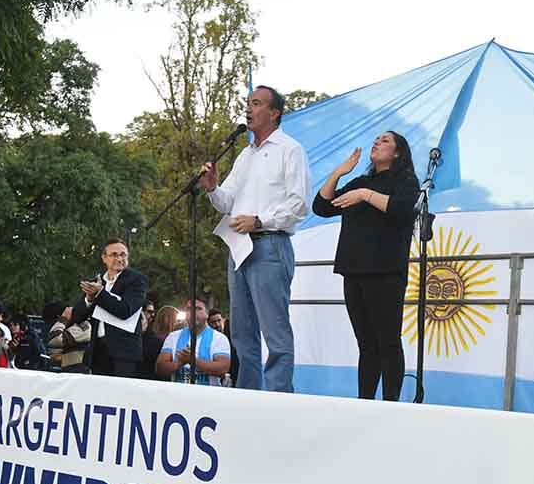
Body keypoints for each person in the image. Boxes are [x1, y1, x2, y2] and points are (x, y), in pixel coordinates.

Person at [201, 85, 312, 392]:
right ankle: (247, 398)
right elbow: (226, 202)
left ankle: (278, 401)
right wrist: (212, 188)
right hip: (239, 248)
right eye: (248, 103)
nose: (248, 109)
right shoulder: (244, 156)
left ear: (274, 113)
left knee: (274, 333)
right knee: (241, 334)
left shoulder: (290, 149)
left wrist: (260, 220)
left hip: (269, 244)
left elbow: (299, 204)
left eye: (256, 104)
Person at [312, 131, 422, 401]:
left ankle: (391, 404)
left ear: (397, 152)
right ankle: (365, 402)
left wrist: (365, 195)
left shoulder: (405, 180)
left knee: (388, 342)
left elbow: (403, 208)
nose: (377, 142)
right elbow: (322, 206)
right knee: (366, 344)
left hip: (385, 272)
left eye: (385, 140)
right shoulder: (361, 181)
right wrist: (338, 172)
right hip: (354, 269)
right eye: (376, 139)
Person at [72, 238, 148, 378]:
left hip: (124, 354)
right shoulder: (97, 281)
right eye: (114, 254)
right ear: (104, 258)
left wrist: (100, 293)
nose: (119, 258)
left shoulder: (136, 280)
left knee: (121, 397)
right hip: (97, 350)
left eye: (123, 254)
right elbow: (77, 316)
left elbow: (125, 310)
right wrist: (89, 299)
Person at [157, 297, 232, 385]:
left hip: (209, 396)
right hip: (178, 395)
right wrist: (180, 363)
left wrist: (192, 360)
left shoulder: (219, 338)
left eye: (198, 309)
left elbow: (222, 369)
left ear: (207, 314)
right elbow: (160, 368)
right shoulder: (173, 336)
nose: (193, 312)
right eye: (189, 309)